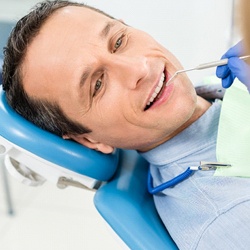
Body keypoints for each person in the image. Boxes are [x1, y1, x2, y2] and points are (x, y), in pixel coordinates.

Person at [2, 1, 250, 249]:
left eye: (119, 42)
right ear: (89, 140)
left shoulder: (218, 92)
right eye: (97, 85)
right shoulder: (229, 217)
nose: (138, 68)